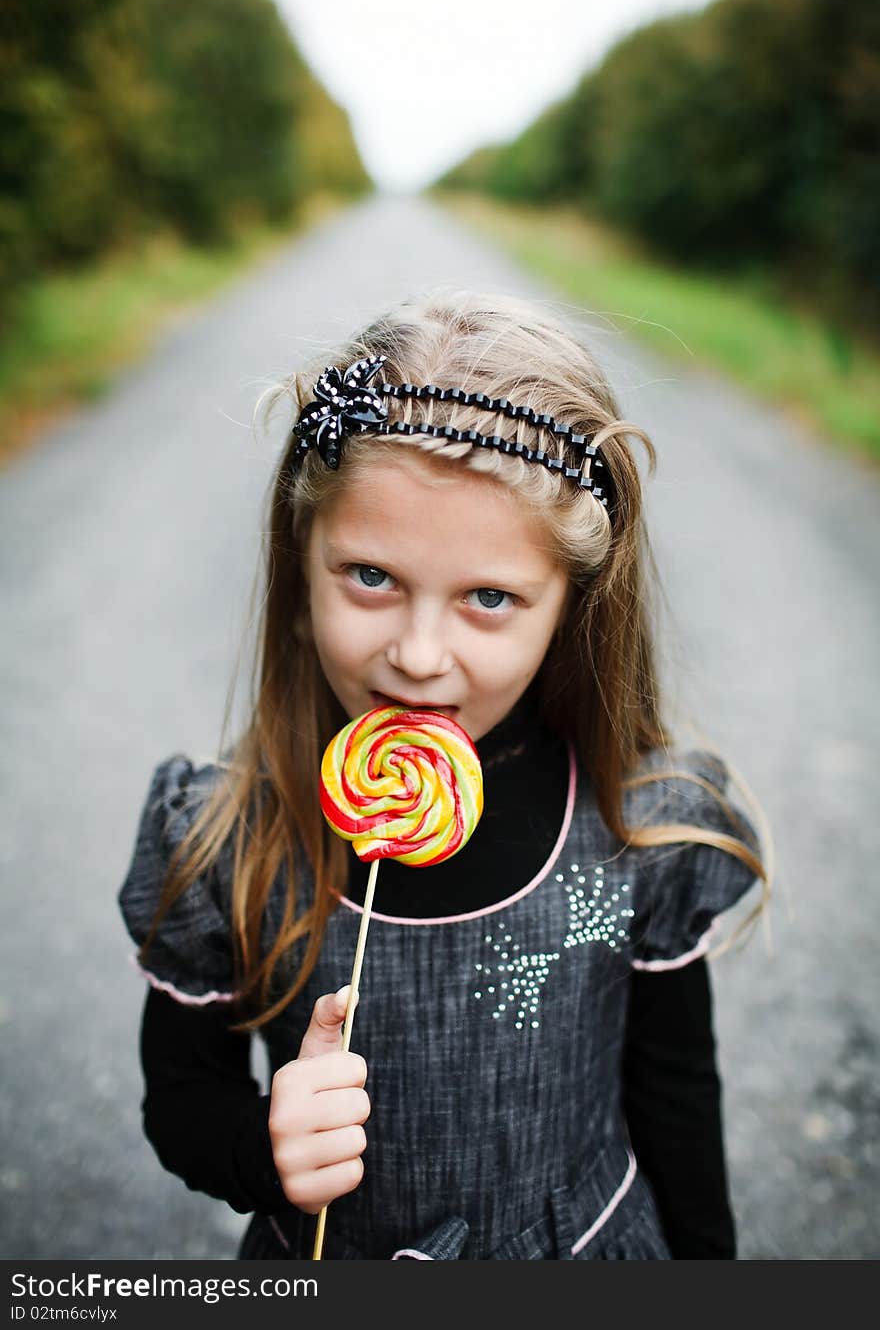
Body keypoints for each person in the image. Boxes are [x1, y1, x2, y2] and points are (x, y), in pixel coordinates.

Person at [119, 288, 770, 1261]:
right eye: (370, 576)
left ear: (571, 606)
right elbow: (181, 1098)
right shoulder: (225, 842)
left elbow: (675, 1092)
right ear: (301, 567)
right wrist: (262, 1148)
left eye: (490, 597)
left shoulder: (639, 827)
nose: (420, 656)